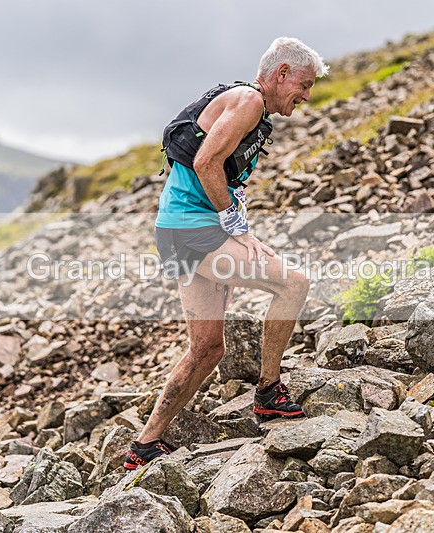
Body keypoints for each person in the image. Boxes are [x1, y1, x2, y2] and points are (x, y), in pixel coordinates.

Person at [125, 37, 329, 469]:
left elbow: (203, 166)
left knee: (207, 350)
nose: (307, 96)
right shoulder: (249, 100)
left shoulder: (243, 102)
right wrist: (233, 222)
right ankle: (269, 392)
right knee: (294, 284)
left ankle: (144, 447)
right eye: (304, 84)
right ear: (281, 74)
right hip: (194, 231)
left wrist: (229, 215)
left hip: (177, 230)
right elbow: (205, 163)